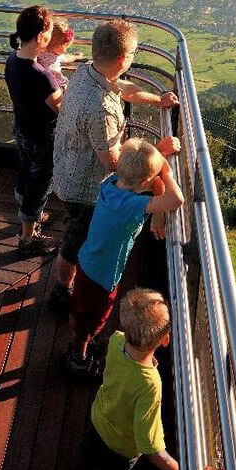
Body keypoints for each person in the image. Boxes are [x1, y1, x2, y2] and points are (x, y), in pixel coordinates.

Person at [51, 19, 179, 308]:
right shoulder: (101, 109)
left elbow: (125, 89)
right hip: (82, 189)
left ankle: (70, 282)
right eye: (133, 53)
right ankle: (62, 292)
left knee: (77, 237)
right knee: (74, 244)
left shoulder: (88, 72)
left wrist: (158, 100)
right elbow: (114, 165)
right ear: (123, 58)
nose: (133, 58)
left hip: (67, 168)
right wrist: (158, 152)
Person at [65, 138, 184, 378]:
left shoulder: (110, 184)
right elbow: (176, 200)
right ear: (144, 182)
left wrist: (158, 156)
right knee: (93, 317)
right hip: (102, 275)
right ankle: (78, 358)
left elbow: (138, 170)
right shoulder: (131, 204)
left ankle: (84, 340)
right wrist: (167, 171)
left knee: (84, 311)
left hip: (88, 262)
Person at [84, 289, 180, 470]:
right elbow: (150, 446)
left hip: (98, 422)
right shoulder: (150, 384)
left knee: (92, 460)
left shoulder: (116, 340)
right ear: (165, 340)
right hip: (121, 449)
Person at [4, 5, 63, 255]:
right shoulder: (42, 76)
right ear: (40, 36)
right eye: (49, 32)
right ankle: (28, 238)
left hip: (22, 128)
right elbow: (61, 107)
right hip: (42, 137)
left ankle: (28, 211)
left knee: (26, 170)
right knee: (39, 186)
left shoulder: (12, 59)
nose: (50, 37)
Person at [36, 16, 80, 90]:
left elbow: (66, 58)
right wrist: (76, 57)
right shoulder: (43, 55)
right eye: (66, 46)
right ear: (57, 44)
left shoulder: (40, 53)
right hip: (57, 86)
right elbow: (66, 58)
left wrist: (76, 57)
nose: (66, 50)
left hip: (49, 86)